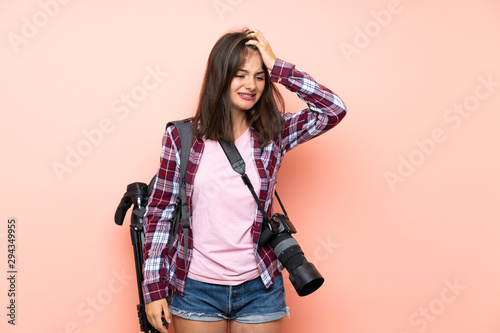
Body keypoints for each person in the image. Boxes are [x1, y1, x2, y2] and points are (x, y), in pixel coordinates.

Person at [141, 28, 347, 333]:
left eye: (259, 76)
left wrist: (278, 67)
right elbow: (160, 213)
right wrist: (153, 289)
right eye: (240, 74)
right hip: (195, 285)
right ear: (220, 77)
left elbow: (333, 109)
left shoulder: (274, 133)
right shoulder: (182, 137)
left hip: (259, 286)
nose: (251, 85)